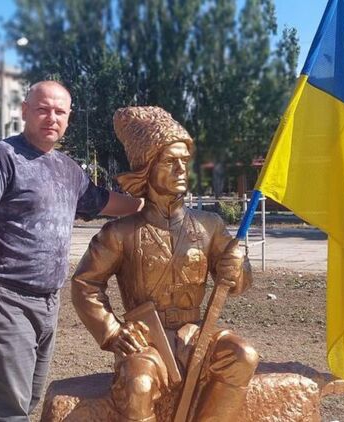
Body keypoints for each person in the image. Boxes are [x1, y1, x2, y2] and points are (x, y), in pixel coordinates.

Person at [0, 81, 143, 421]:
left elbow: (102, 201)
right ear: (24, 111)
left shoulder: (68, 169)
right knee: (8, 409)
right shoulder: (1, 158)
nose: (51, 117)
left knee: (29, 397)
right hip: (4, 299)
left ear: (69, 118)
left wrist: (149, 204)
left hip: (47, 302)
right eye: (42, 109)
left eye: (59, 111)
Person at [71, 106, 258, 421]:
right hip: (147, 342)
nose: (181, 169)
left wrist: (238, 266)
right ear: (147, 169)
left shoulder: (210, 225)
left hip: (195, 335)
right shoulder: (120, 233)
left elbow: (238, 284)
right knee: (140, 386)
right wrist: (113, 331)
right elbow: (85, 283)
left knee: (243, 356)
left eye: (185, 161)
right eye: (170, 161)